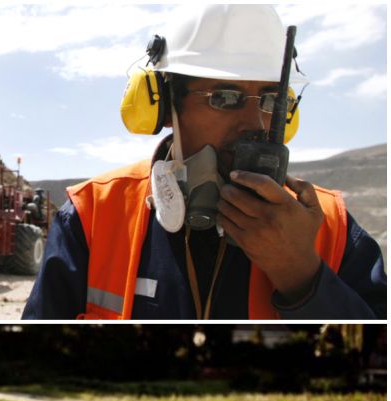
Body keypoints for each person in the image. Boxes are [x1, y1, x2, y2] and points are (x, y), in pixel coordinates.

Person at [23, 5, 386, 320]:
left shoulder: (331, 226)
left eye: (271, 100)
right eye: (224, 98)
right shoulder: (93, 216)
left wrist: (302, 275)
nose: (256, 123)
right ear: (164, 106)